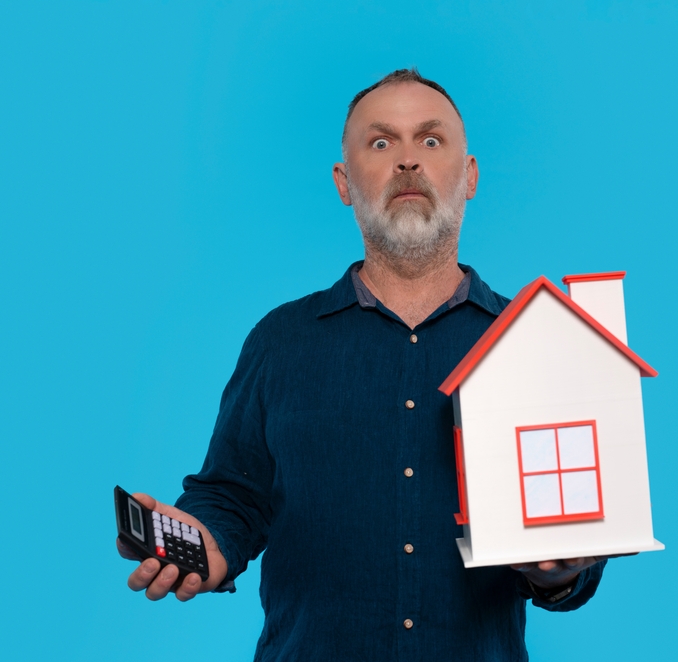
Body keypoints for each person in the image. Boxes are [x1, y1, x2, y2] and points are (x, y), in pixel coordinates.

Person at [117, 69, 607, 661]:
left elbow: (570, 525)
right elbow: (233, 493)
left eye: (430, 141)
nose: (407, 161)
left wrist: (560, 571)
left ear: (470, 176)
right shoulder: (280, 341)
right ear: (345, 182)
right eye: (381, 143)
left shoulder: (528, 344)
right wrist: (206, 540)